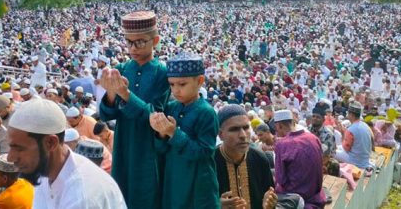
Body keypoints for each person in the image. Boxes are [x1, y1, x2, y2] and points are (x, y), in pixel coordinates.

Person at [99, 11, 170, 209]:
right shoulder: (121, 68)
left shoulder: (162, 72)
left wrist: (126, 94)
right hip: (122, 144)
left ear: (154, 40)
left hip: (148, 146)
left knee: (146, 196)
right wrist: (112, 94)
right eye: (129, 42)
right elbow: (106, 115)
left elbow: (155, 114)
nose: (133, 48)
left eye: (139, 42)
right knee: (121, 194)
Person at [7, 98, 126, 208]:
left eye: (19, 148)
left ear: (50, 143)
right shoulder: (45, 171)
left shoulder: (82, 196)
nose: (10, 157)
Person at [149, 52, 220, 208]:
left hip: (197, 186)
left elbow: (204, 152)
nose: (176, 90)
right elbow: (161, 149)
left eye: (182, 84)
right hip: (173, 181)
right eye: (172, 84)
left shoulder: (206, 112)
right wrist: (161, 133)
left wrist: (174, 133)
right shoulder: (171, 108)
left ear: (199, 81)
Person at [215, 105, 278, 209]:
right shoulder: (208, 162)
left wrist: (270, 205)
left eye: (246, 127)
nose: (243, 135)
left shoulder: (260, 159)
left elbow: (269, 200)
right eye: (234, 129)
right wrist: (215, 205)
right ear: (220, 134)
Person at [274, 109, 326, 209]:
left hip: (297, 198)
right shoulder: (313, 137)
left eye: (276, 128)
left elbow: (281, 179)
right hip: (316, 195)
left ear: (279, 126)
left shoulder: (281, 144)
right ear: (293, 122)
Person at [335, 102, 373, 169]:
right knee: (337, 147)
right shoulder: (365, 125)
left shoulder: (351, 129)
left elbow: (346, 149)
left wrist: (343, 133)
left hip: (355, 161)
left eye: (348, 113)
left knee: (332, 152)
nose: (347, 115)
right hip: (365, 159)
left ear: (352, 115)